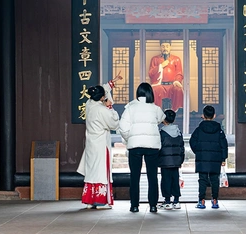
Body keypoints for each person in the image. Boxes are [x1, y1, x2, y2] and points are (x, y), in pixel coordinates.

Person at [77, 74, 122, 209]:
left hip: (91, 143)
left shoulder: (89, 104)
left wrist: (110, 84)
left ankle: (90, 201)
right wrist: (110, 107)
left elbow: (100, 90)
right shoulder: (102, 110)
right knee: (102, 172)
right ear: (102, 98)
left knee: (92, 172)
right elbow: (114, 123)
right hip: (101, 144)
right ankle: (101, 201)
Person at [118, 82, 165, 213]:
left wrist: (129, 139)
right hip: (152, 146)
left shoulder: (130, 108)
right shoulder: (155, 108)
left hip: (135, 146)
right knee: (152, 176)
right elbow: (162, 118)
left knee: (134, 176)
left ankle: (134, 205)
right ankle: (153, 205)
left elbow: (123, 127)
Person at [189, 105, 228, 209]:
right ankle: (215, 200)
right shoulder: (219, 130)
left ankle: (201, 201)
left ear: (203, 116)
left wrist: (198, 151)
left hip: (202, 158)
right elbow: (224, 144)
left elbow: (192, 142)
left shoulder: (199, 129)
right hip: (215, 159)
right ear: (214, 115)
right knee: (214, 179)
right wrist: (223, 158)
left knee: (202, 179)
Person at [158, 109, 184, 209]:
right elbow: (182, 147)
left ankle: (167, 201)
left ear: (164, 120)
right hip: (176, 161)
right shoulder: (178, 132)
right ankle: (176, 201)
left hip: (165, 161)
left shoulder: (162, 133)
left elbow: (158, 147)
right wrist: (181, 159)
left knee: (166, 180)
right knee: (175, 179)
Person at [148, 40, 184, 112]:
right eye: (163, 46)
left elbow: (179, 73)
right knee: (154, 90)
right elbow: (150, 73)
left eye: (167, 46)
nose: (165, 48)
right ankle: (157, 113)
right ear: (160, 47)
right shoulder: (155, 59)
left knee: (178, 90)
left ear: (170, 47)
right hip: (160, 85)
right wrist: (160, 66)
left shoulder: (176, 59)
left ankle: (176, 113)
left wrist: (177, 80)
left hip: (172, 85)